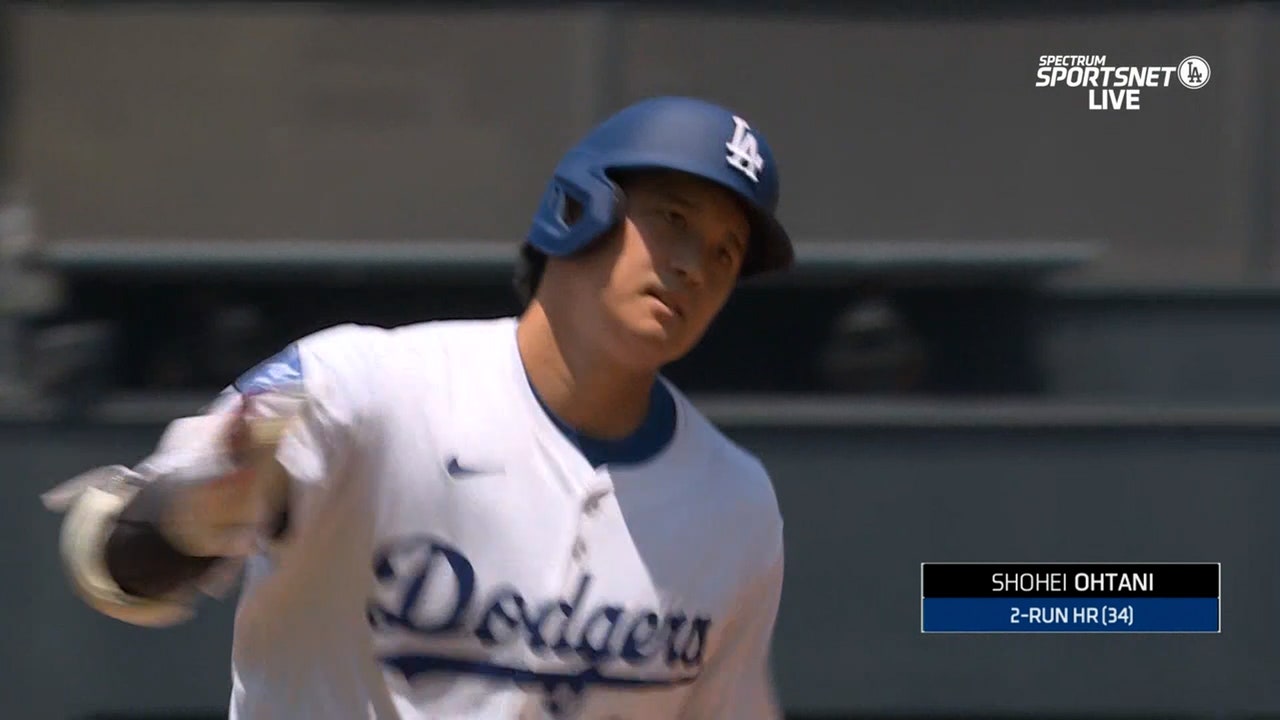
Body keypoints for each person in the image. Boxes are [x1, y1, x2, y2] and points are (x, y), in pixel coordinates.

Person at [43, 95, 793, 720]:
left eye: (726, 253)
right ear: (580, 206)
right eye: (672, 218)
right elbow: (111, 554)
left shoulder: (735, 502)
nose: (694, 264)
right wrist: (196, 515)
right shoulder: (368, 389)